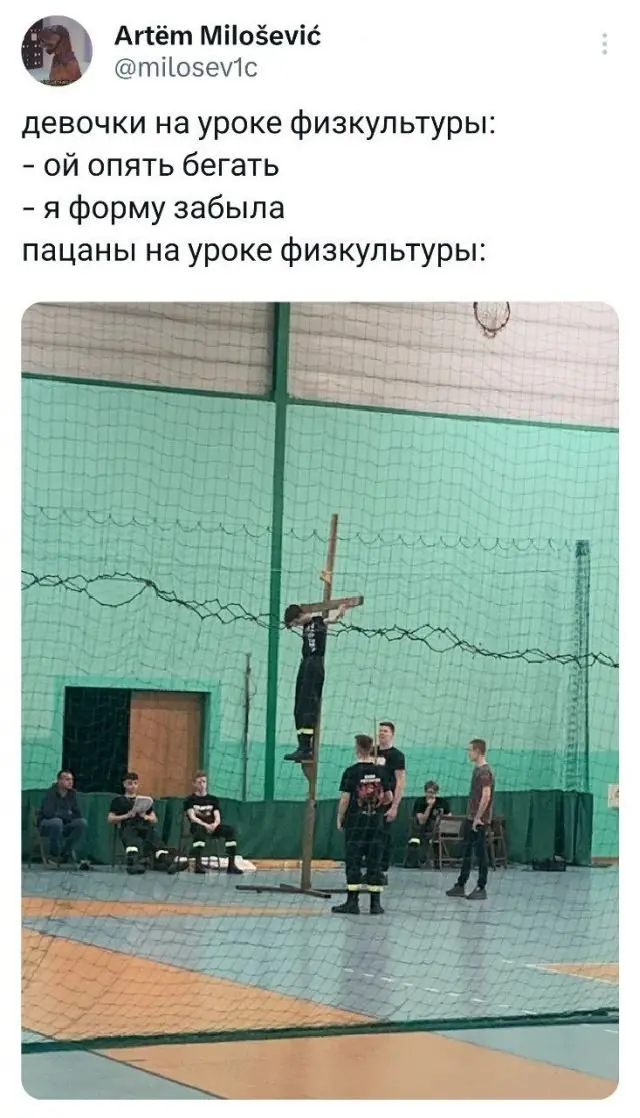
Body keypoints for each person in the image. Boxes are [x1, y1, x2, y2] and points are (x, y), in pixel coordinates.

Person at [283, 570, 359, 763]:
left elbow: (330, 619)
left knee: (308, 702)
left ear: (301, 615)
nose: (298, 625)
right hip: (305, 661)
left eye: (296, 621)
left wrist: (340, 611)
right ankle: (301, 744)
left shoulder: (317, 621)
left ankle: (307, 747)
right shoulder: (306, 626)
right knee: (299, 704)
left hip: (314, 662)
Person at [332, 735, 393, 916]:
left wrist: (339, 817)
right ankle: (375, 904)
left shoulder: (351, 772)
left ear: (358, 748)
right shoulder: (382, 772)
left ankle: (352, 902)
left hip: (356, 825)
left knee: (354, 862)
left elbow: (345, 799)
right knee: (375, 862)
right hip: (376, 825)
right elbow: (389, 797)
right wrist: (378, 807)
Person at [107, 772, 187, 876]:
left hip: (144, 826)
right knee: (133, 841)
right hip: (128, 826)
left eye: (135, 783)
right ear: (124, 784)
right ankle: (134, 863)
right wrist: (126, 816)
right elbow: (110, 818)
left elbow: (154, 819)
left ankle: (170, 863)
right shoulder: (118, 801)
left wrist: (145, 816)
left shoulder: (144, 801)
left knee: (156, 841)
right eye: (130, 783)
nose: (133, 786)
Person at [446, 738, 495, 900]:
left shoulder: (485, 772)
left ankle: (481, 887)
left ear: (478, 751)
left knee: (480, 853)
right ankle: (461, 885)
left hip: (479, 820)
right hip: (471, 817)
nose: (468, 753)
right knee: (467, 851)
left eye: (470, 750)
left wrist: (478, 818)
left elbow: (486, 796)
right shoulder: (477, 769)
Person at [183, 771, 243, 875]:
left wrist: (215, 825)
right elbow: (192, 817)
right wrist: (206, 825)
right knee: (199, 831)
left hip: (213, 827)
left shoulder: (213, 799)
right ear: (194, 784)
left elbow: (217, 816)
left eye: (204, 782)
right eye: (199, 782)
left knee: (230, 831)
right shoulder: (190, 799)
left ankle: (231, 865)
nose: (202, 784)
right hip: (198, 827)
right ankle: (198, 865)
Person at [376, 721, 406, 883]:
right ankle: (371, 868)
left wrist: (395, 806)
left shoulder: (397, 755)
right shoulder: (372, 752)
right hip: (370, 801)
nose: (382, 733)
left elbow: (400, 781)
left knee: (384, 836)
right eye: (380, 730)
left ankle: (382, 870)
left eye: (385, 731)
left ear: (392, 734)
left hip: (387, 802)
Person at [37, 770, 88, 865]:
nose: (70, 782)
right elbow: (49, 813)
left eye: (72, 779)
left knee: (82, 822)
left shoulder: (72, 794)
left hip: (65, 824)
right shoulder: (50, 793)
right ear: (59, 780)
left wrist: (64, 815)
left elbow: (77, 814)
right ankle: (53, 854)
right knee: (57, 822)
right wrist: (67, 814)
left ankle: (65, 852)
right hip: (46, 824)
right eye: (67, 779)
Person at [404, 781, 451, 868]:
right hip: (422, 829)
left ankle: (437, 860)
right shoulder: (420, 802)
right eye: (429, 792)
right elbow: (422, 821)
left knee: (434, 833)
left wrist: (440, 820)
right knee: (420, 835)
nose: (431, 795)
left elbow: (449, 819)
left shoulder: (443, 803)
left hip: (439, 830)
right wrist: (429, 807)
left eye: (434, 792)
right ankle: (419, 860)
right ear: (425, 792)